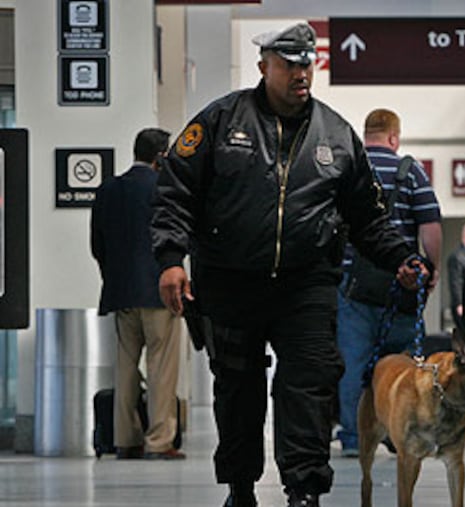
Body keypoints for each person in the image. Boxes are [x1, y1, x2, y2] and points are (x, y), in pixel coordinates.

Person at [150, 23, 429, 507]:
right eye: (289, 64)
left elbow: (368, 218)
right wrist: (172, 259)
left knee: (310, 383)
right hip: (230, 281)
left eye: (307, 63)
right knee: (238, 390)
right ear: (264, 67)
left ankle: (304, 490)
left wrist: (401, 257)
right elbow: (175, 193)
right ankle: (240, 488)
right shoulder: (219, 121)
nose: (301, 73)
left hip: (306, 285)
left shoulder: (338, 136)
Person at [336, 108, 442, 457]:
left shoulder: (348, 168)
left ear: (366, 135)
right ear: (394, 138)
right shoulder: (409, 172)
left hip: (354, 285)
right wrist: (432, 267)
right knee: (404, 364)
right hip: (403, 284)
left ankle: (354, 439)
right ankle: (401, 432)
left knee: (353, 364)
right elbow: (430, 226)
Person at [90, 128, 185, 461]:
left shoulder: (108, 189)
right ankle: (159, 441)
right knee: (162, 366)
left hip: (120, 292)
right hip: (160, 292)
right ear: (161, 156)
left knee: (125, 367)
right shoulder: (164, 189)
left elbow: (97, 245)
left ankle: (125, 439)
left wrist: (113, 277)